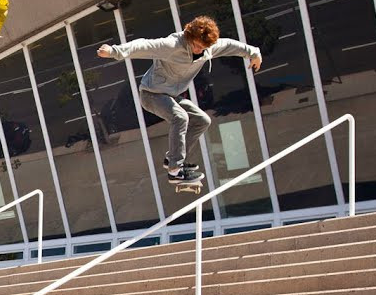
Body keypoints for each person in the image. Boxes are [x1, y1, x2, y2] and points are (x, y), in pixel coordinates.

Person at [97, 16, 261, 186]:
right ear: (189, 37)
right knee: (180, 117)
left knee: (202, 120)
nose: (198, 50)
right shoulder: (173, 45)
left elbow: (229, 45)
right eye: (195, 45)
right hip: (151, 94)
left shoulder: (209, 48)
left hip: (171, 96)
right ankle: (175, 171)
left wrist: (253, 53)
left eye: (202, 47)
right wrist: (114, 51)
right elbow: (144, 45)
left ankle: (171, 159)